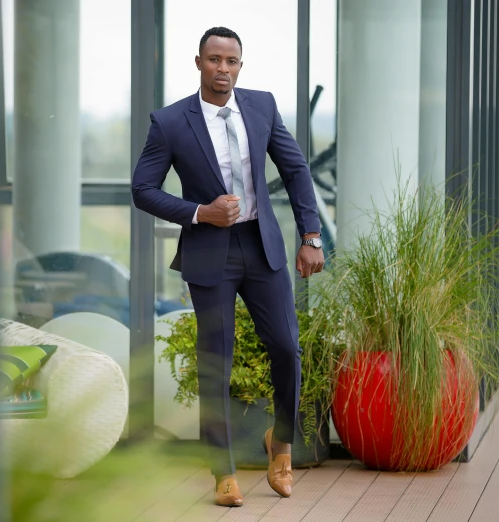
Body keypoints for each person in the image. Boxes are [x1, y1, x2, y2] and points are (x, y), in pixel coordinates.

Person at [132, 26, 324, 507]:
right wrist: (201, 212)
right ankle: (223, 470)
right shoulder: (171, 121)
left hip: (262, 247)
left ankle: (279, 443)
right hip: (209, 251)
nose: (223, 69)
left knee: (286, 347)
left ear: (241, 65)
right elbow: (143, 189)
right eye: (214, 60)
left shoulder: (261, 106)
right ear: (198, 62)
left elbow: (296, 169)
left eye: (231, 61)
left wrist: (311, 236)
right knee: (215, 360)